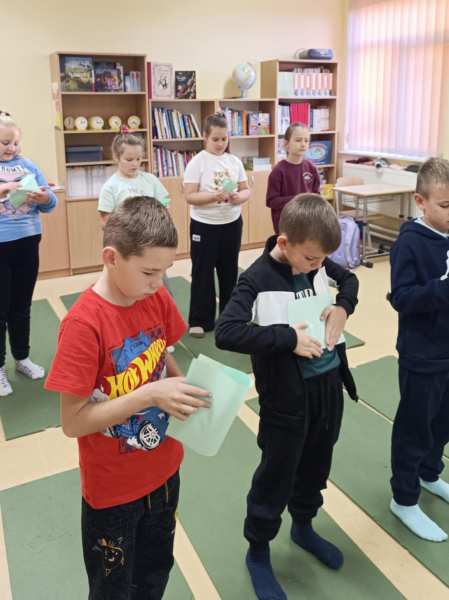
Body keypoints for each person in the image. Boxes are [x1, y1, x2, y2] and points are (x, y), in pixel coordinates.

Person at [45, 197, 211, 599]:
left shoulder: (154, 296)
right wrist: (148, 394)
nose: (159, 283)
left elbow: (161, 349)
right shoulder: (83, 325)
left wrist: (183, 386)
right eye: (149, 272)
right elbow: (73, 421)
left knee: (155, 573)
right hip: (112, 492)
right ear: (111, 257)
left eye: (165, 271)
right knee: (112, 589)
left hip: (165, 471)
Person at [216, 194, 359, 600]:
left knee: (316, 464)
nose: (319, 266)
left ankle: (303, 527)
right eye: (312, 258)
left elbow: (349, 280)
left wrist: (343, 308)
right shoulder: (256, 279)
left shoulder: (317, 261)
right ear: (284, 242)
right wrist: (287, 338)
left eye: (323, 259)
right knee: (276, 475)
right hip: (286, 401)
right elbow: (227, 331)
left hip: (327, 388)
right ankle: (258, 551)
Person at [389, 157, 449, 543]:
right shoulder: (409, 242)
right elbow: (402, 298)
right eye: (445, 205)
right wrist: (444, 287)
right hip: (421, 354)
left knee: (442, 423)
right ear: (421, 202)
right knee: (414, 428)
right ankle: (404, 498)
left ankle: (429, 474)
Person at [0, 110, 58, 396]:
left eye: (15, 142)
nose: (12, 148)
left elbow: (50, 203)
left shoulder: (28, 165)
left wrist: (44, 197)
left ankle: (22, 358)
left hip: (27, 241)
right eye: (5, 143)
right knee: (1, 308)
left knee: (22, 305)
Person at [183, 111, 250, 339]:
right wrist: (213, 197)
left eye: (224, 138)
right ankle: (200, 320)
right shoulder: (197, 162)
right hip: (204, 225)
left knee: (229, 271)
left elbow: (245, 189)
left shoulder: (234, 161)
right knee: (202, 272)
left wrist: (240, 197)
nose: (220, 143)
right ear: (205, 136)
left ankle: (229, 318)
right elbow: (189, 196)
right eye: (215, 139)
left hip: (231, 223)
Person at [98, 127, 174, 300]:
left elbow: (164, 207)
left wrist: (163, 212)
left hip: (152, 247)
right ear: (116, 157)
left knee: (162, 293)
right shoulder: (111, 187)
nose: (135, 164)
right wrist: (131, 222)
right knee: (130, 294)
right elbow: (104, 222)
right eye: (129, 159)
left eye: (139, 159)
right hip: (127, 251)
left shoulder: (150, 180)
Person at [266, 123, 321, 235]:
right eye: (298, 140)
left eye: (306, 141)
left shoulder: (311, 167)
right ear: (286, 144)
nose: (303, 144)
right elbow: (271, 201)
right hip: (287, 224)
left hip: (307, 222)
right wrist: (299, 199)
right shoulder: (278, 170)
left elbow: (316, 194)